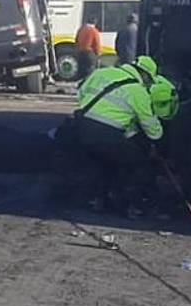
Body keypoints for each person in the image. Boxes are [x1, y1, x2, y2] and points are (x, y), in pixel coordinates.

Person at [73, 54, 178, 216]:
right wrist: (158, 145)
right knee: (136, 164)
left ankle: (97, 200)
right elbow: (151, 126)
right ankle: (132, 205)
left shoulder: (102, 73)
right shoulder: (138, 91)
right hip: (106, 134)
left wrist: (130, 134)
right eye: (149, 80)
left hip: (81, 127)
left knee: (102, 164)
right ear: (145, 74)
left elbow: (82, 95)